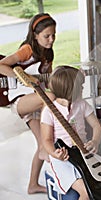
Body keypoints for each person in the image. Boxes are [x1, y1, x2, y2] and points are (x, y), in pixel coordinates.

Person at [0, 13, 56, 194]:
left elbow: (47, 81)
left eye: (54, 35)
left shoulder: (48, 54)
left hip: (35, 100)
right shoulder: (28, 50)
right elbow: (2, 65)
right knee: (51, 97)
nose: (51, 39)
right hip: (19, 99)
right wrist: (23, 78)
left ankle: (33, 185)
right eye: (47, 36)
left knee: (42, 144)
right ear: (35, 35)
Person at [40, 65, 101, 199]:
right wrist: (55, 154)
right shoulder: (49, 111)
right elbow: (46, 140)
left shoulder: (81, 104)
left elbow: (97, 126)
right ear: (70, 90)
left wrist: (95, 141)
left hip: (83, 154)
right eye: (80, 86)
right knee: (86, 192)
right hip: (63, 159)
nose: (82, 89)